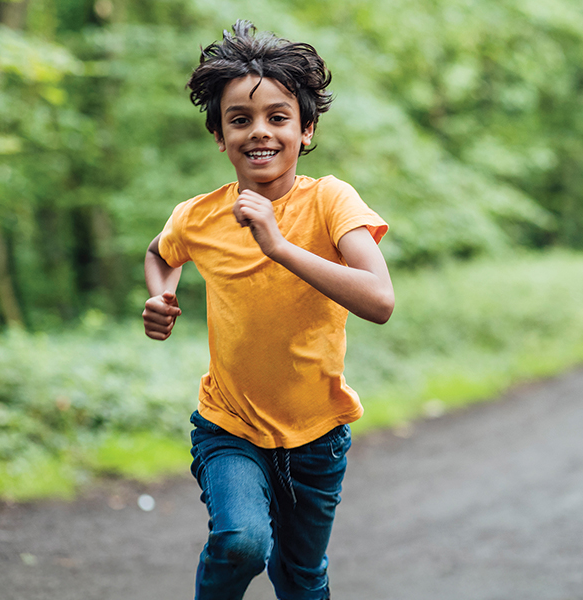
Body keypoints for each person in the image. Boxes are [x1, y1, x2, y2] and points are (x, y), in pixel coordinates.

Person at [141, 20, 394, 600]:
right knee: (242, 541)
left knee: (301, 577)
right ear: (219, 135)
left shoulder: (332, 201)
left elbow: (380, 300)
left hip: (317, 436)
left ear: (306, 130)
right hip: (229, 425)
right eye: (240, 119)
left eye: (278, 117)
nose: (260, 132)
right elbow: (160, 253)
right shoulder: (199, 215)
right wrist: (161, 293)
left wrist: (278, 246)